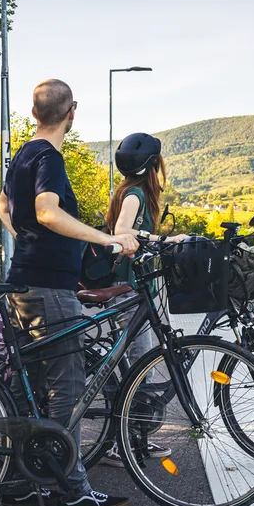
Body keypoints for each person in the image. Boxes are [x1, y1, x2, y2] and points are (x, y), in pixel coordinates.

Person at [0, 78, 138, 506]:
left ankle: (21, 482)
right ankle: (72, 489)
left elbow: (4, 206)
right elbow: (46, 210)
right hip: (48, 288)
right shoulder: (49, 157)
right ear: (71, 113)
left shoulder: (22, 153)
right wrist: (109, 241)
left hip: (23, 280)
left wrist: (30, 242)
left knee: (28, 386)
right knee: (67, 386)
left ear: (35, 112)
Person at [98, 132, 186, 467]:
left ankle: (135, 438)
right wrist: (161, 238)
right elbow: (122, 230)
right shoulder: (134, 194)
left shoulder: (130, 191)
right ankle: (124, 443)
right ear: (153, 165)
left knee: (138, 363)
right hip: (127, 289)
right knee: (138, 365)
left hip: (135, 287)